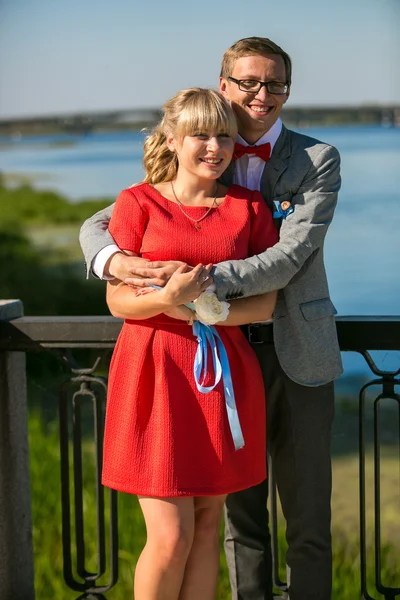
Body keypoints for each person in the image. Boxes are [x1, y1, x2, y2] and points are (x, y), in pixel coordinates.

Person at [80, 37, 343, 600]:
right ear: (224, 86)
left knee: (307, 527)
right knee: (229, 527)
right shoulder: (169, 175)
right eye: (248, 82)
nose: (261, 94)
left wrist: (193, 287)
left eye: (274, 83)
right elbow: (105, 223)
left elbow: (288, 258)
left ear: (288, 91)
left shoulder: (316, 160)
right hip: (197, 369)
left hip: (291, 348)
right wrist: (113, 261)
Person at [100, 87, 279, 600]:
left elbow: (264, 306)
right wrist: (169, 301)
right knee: (170, 534)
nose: (213, 146)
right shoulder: (138, 202)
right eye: (199, 134)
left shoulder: (248, 209)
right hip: (154, 372)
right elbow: (118, 303)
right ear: (173, 141)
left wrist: (204, 309)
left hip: (221, 373)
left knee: (205, 529)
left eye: (223, 135)